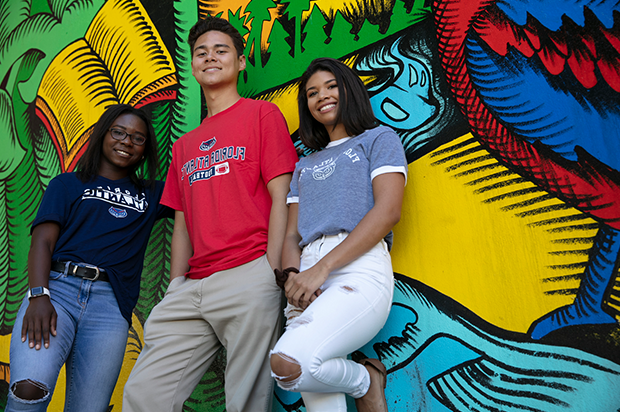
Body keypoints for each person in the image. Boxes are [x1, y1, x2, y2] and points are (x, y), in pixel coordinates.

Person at [122, 16, 298, 412]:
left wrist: (271, 269)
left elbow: (282, 193)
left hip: (249, 274)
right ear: (193, 65)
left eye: (221, 50)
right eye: (201, 52)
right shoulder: (185, 145)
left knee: (245, 401)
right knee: (144, 395)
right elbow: (183, 221)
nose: (210, 57)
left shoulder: (261, 115)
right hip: (193, 286)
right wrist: (175, 285)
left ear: (240, 63)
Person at [5, 104, 171, 412]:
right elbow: (42, 242)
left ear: (145, 149)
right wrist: (39, 296)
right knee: (30, 387)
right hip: (58, 292)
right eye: (118, 132)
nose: (126, 141)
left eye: (137, 138)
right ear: (102, 135)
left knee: (89, 408)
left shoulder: (152, 195)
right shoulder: (67, 184)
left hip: (109, 308)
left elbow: (202, 190)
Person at [269, 57, 407, 412]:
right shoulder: (305, 164)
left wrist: (323, 268)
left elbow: (388, 211)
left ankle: (364, 382)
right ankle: (365, 381)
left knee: (288, 363)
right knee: (305, 386)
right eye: (312, 93)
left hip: (356, 270)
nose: (322, 96)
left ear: (350, 90)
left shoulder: (378, 139)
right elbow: (290, 236)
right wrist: (293, 278)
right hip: (306, 278)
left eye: (331, 86)